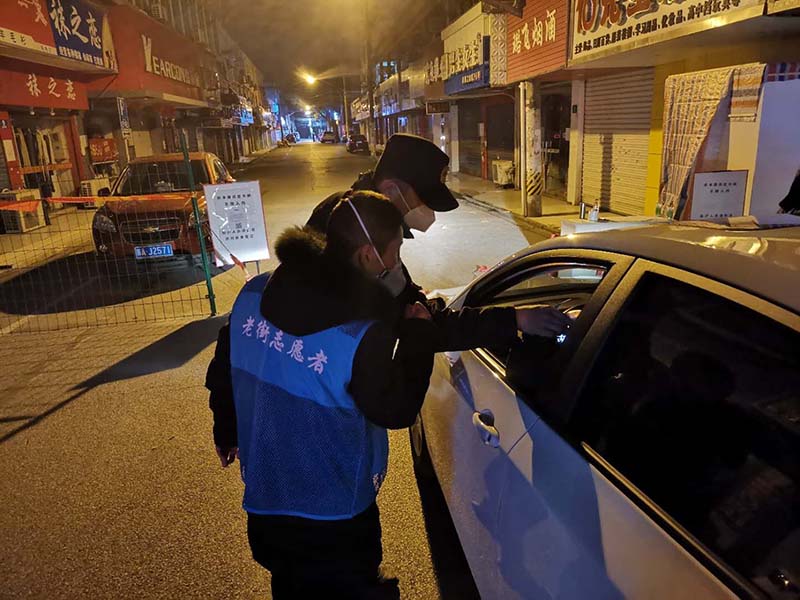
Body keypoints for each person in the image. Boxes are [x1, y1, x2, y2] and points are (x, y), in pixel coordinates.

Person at [207, 191, 569, 598]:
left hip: (267, 506)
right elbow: (396, 409)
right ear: (367, 255)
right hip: (335, 515)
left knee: (291, 588)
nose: (397, 263)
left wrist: (227, 427)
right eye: (395, 251)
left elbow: (227, 364)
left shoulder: (254, 294)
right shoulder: (360, 332)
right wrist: (417, 337)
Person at [307, 133, 568, 352]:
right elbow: (414, 324)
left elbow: (408, 301)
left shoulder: (368, 223)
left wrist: (514, 319)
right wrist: (512, 320)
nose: (427, 210)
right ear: (390, 190)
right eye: (423, 199)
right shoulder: (345, 232)